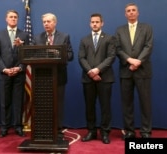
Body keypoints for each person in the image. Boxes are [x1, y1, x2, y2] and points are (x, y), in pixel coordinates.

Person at [115, 3, 153, 139]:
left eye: (133, 10)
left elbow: (148, 46)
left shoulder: (147, 28)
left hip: (143, 70)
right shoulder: (119, 30)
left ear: (138, 13)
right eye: (128, 11)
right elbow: (118, 49)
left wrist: (138, 61)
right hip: (126, 71)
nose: (131, 13)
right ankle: (129, 131)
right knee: (127, 103)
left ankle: (146, 132)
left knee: (145, 102)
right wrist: (130, 60)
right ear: (125, 14)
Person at [33, 13, 74, 139]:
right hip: (42, 77)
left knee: (58, 104)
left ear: (54, 23)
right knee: (43, 104)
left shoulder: (64, 36)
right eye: (44, 22)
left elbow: (70, 55)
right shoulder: (37, 37)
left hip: (59, 76)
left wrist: (58, 53)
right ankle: (45, 129)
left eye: (48, 21)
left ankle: (58, 129)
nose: (46, 24)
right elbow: (33, 55)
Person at [78, 13, 116, 144]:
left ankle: (105, 133)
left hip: (104, 78)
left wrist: (97, 70)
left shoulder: (110, 38)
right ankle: (91, 131)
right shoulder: (84, 40)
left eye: (97, 22)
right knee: (90, 106)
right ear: (90, 23)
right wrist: (90, 71)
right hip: (88, 78)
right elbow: (81, 58)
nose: (94, 24)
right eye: (92, 22)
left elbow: (111, 57)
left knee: (105, 107)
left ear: (102, 23)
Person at [0, 10, 29, 137]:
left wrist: (19, 68)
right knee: (5, 102)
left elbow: (27, 55)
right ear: (6, 19)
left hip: (19, 74)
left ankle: (18, 126)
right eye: (11, 17)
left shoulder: (24, 35)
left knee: (18, 101)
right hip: (4, 74)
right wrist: (5, 69)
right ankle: (4, 127)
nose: (13, 19)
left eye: (15, 17)